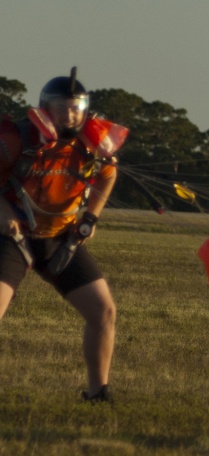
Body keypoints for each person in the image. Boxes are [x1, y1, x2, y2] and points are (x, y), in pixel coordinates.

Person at [0, 67, 127, 403]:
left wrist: (91, 218)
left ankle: (98, 392)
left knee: (104, 311)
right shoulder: (18, 140)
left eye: (76, 107)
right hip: (14, 238)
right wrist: (3, 212)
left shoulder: (92, 144)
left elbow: (107, 176)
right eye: (62, 107)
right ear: (45, 108)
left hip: (61, 238)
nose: (70, 114)